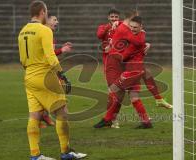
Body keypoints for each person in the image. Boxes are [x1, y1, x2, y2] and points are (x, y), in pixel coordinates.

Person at [18, 1, 87, 159]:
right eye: (47, 13)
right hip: (45, 76)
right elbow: (50, 56)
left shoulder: (22, 31)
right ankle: (66, 151)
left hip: (29, 77)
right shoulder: (44, 30)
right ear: (42, 12)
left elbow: (22, 59)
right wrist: (62, 75)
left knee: (34, 115)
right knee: (62, 112)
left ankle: (35, 155)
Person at [94, 13, 153, 129]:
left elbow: (124, 55)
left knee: (115, 91)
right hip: (133, 70)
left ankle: (107, 119)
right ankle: (146, 122)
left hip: (131, 71)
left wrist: (112, 49)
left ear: (141, 27)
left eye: (135, 27)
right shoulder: (136, 35)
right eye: (131, 27)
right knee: (134, 97)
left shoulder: (137, 38)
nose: (132, 29)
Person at [39, 14, 73, 129]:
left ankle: (43, 116)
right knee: (59, 94)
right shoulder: (46, 33)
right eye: (54, 19)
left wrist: (61, 48)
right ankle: (63, 124)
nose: (57, 22)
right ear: (47, 21)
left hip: (45, 70)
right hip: (47, 70)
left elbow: (50, 52)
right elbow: (49, 55)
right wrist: (62, 50)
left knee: (45, 93)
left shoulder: (47, 33)